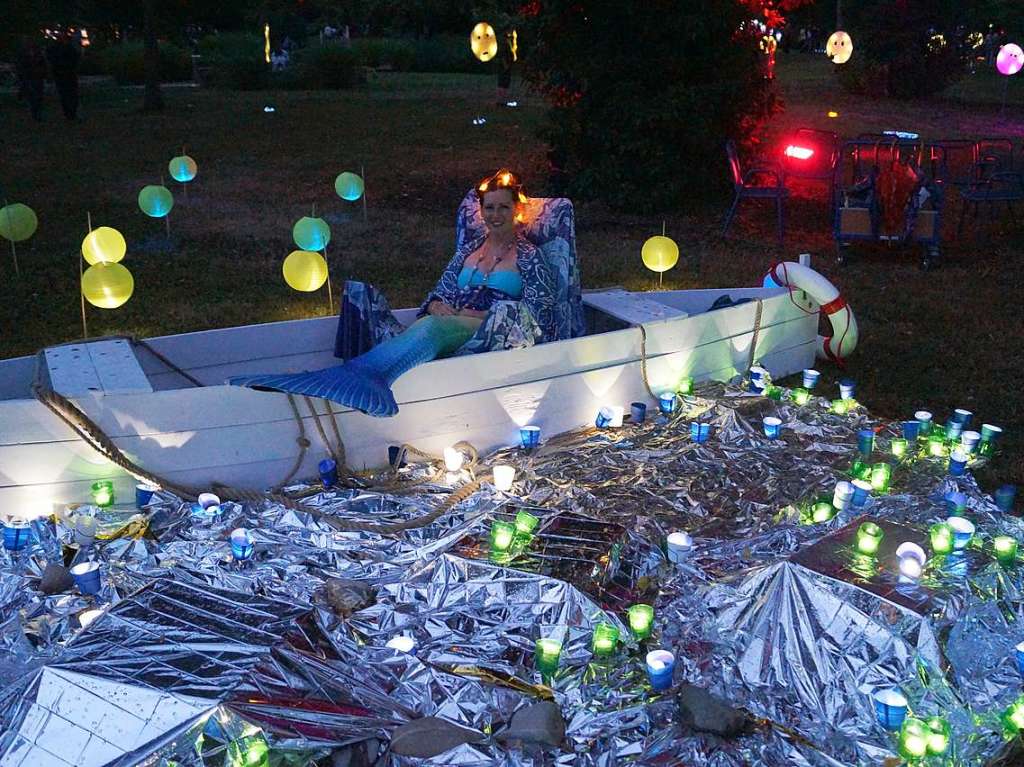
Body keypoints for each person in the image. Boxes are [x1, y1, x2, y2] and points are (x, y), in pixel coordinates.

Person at [231, 169, 558, 417]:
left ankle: (366, 378)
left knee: (430, 329)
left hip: (492, 329)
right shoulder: (469, 251)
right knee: (374, 303)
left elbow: (541, 312)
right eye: (489, 208)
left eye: (503, 208)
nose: (495, 215)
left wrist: (489, 315)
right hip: (449, 322)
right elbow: (436, 292)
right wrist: (436, 303)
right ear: (482, 211)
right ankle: (348, 376)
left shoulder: (529, 256)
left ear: (516, 210)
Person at [46, 30, 80, 121]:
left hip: (65, 74)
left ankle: (70, 113)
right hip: (65, 74)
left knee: (67, 95)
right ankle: (70, 113)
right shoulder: (62, 48)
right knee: (68, 95)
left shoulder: (60, 48)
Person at [15, 36, 47, 121]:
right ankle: (35, 113)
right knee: (32, 95)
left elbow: (43, 63)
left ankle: (37, 113)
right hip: (28, 76)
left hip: (36, 76)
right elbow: (20, 65)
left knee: (38, 95)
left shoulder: (37, 52)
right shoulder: (22, 53)